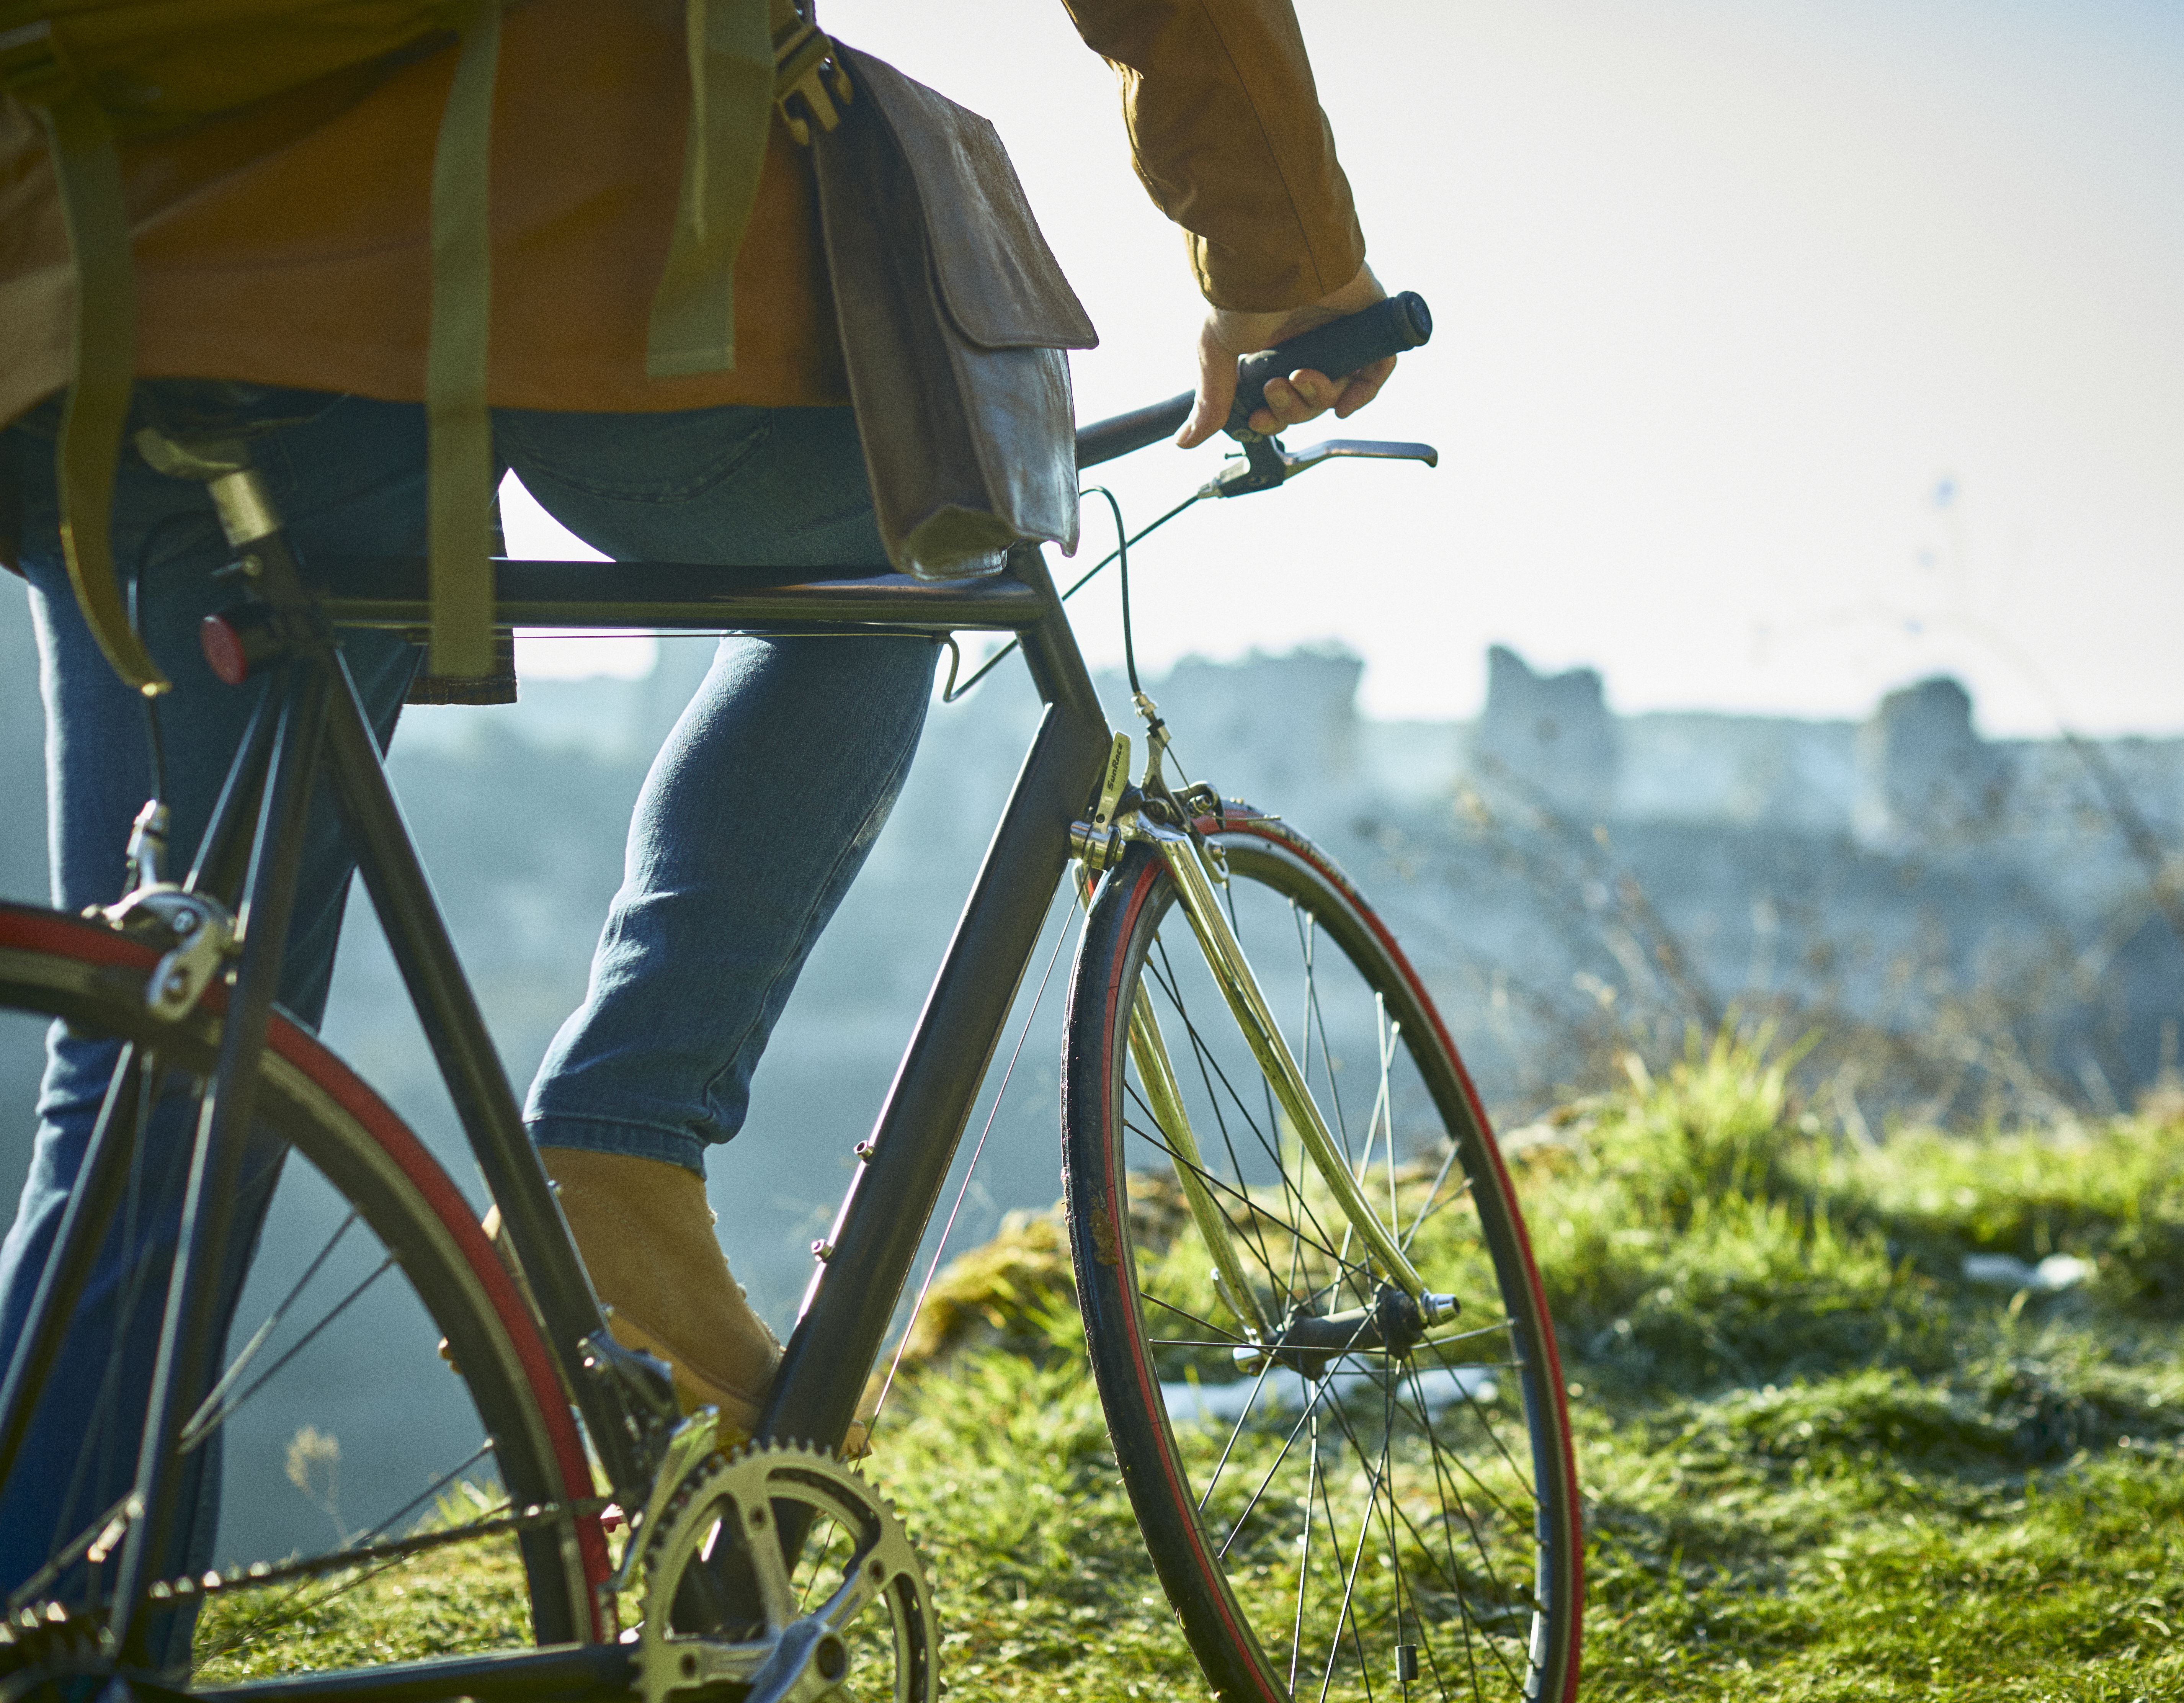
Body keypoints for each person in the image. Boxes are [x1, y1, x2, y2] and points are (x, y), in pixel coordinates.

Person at [0, 0, 1394, 1610]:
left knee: (169, 1068)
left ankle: (60, 1640)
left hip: (94, 277)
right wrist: (1288, 265)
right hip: (556, 230)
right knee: (912, 513)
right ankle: (626, 1134)